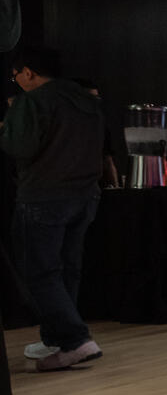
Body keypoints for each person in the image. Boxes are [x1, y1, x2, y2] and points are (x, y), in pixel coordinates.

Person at [1, 47, 104, 370]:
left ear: (28, 72)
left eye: (16, 76)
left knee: (41, 272)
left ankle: (75, 341)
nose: (16, 82)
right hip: (85, 195)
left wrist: (9, 124)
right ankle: (56, 339)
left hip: (45, 195)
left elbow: (19, 147)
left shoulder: (32, 101)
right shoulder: (88, 101)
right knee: (67, 269)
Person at [71, 78, 124, 188]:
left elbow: (107, 160)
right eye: (89, 99)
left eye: (96, 99)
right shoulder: (63, 127)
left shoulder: (100, 126)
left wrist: (116, 188)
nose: (93, 104)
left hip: (93, 189)